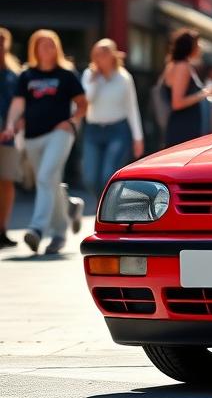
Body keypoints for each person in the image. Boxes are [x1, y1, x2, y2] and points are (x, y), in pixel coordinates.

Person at [1, 29, 86, 254]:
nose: (46, 49)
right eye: (41, 45)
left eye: (50, 45)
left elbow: (82, 103)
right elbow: (18, 104)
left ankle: (38, 229)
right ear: (34, 49)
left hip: (60, 134)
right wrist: (11, 125)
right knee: (49, 181)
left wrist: (72, 121)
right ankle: (64, 221)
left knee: (45, 177)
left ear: (57, 48)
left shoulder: (67, 75)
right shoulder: (27, 76)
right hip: (32, 137)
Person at [81, 38, 144, 195]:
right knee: (90, 178)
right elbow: (87, 101)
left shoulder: (124, 78)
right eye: (97, 54)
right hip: (93, 131)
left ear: (113, 55)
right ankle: (101, 206)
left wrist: (138, 137)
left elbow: (132, 108)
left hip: (117, 131)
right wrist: (95, 81)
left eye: (104, 53)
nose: (100, 57)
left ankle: (107, 212)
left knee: (108, 176)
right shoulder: (89, 75)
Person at [160, 28, 212, 148]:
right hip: (183, 129)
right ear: (190, 47)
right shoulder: (182, 67)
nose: (200, 48)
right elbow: (177, 103)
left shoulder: (177, 65)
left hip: (184, 126)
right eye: (198, 44)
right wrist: (204, 93)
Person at [0, 27, 22, 248]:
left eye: (2, 41)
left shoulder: (14, 74)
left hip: (8, 137)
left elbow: (22, 105)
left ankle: (3, 229)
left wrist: (16, 126)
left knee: (6, 182)